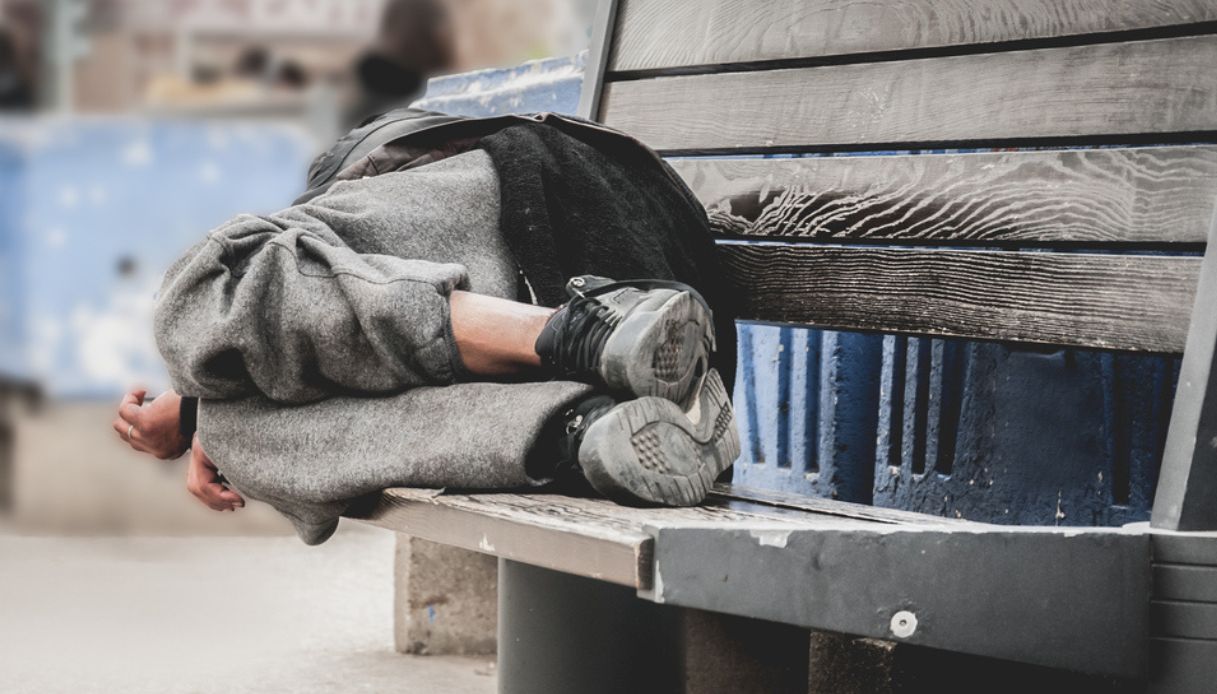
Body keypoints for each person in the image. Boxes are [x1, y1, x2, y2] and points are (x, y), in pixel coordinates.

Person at [114, 110, 740, 544]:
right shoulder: (341, 248)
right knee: (228, 415)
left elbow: (247, 304)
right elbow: (291, 332)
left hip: (569, 207)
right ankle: (587, 421)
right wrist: (204, 413)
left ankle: (584, 337)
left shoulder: (352, 203)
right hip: (612, 299)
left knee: (201, 296)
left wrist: (198, 403)